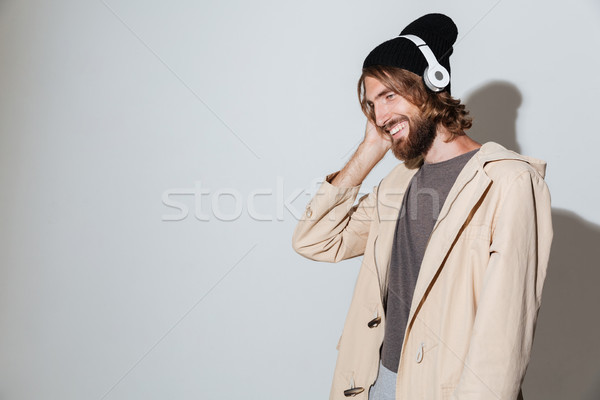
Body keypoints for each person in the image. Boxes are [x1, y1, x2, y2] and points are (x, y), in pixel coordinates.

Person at [291, 13, 553, 400]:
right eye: (371, 105)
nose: (380, 117)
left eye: (389, 96)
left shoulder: (508, 181)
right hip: (376, 382)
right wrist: (368, 152)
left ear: (432, 85)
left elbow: (504, 334)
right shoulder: (399, 183)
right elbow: (315, 240)